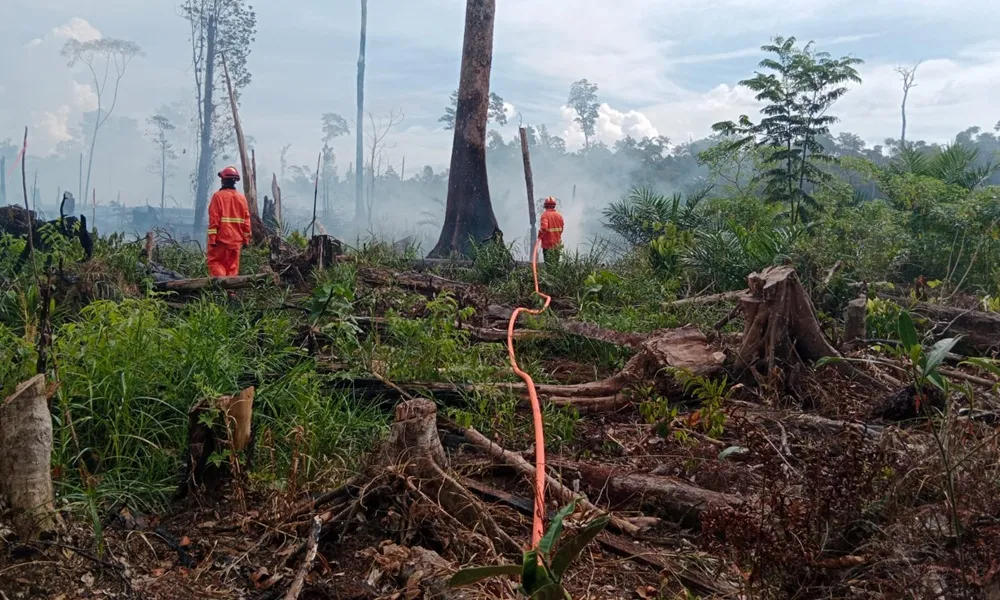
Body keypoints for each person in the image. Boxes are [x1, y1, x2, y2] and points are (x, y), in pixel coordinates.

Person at [207, 166, 251, 277]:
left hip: (221, 240)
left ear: (223, 180)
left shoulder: (218, 196)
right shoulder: (242, 198)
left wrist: (212, 239)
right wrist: (246, 240)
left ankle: (220, 289)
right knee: (232, 266)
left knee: (216, 263)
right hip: (236, 241)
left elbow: (214, 220)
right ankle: (230, 292)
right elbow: (246, 221)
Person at [538, 196, 564, 264]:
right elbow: (561, 228)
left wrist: (539, 235)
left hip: (547, 245)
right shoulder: (559, 215)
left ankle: (549, 274)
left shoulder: (545, 215)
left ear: (545, 205)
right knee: (555, 264)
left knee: (548, 264)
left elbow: (544, 228)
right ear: (554, 205)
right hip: (557, 244)